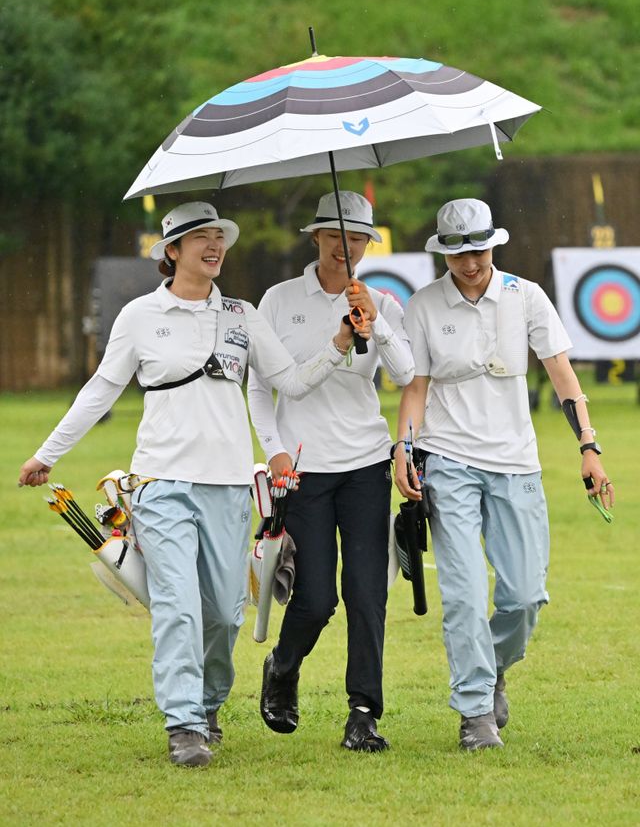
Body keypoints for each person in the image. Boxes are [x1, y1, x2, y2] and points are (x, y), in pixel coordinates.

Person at [18, 201, 365, 768]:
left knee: (225, 614)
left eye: (219, 236)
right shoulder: (138, 315)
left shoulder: (242, 315)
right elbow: (101, 389)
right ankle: (183, 724)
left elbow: (292, 382)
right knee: (177, 606)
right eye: (200, 237)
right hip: (160, 484)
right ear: (172, 250)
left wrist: (340, 341)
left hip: (227, 486)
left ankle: (207, 705)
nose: (214, 245)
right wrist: (47, 455)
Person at [394, 198, 614, 751]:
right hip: (448, 461)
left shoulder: (526, 296)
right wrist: (404, 448)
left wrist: (589, 446)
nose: (470, 264)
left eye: (479, 252)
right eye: (458, 255)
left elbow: (561, 372)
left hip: (516, 462)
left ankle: (491, 668)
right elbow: (416, 388)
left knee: (525, 596)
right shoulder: (422, 305)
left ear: (493, 245)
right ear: (443, 253)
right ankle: (475, 712)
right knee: (465, 593)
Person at [247, 191, 415, 752]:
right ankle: (283, 665)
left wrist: (376, 322)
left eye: (358, 239)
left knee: (367, 594)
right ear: (316, 238)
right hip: (304, 470)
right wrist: (273, 448)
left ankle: (363, 713)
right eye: (336, 237)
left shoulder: (381, 302)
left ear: (368, 243)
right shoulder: (277, 300)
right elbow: (260, 386)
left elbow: (406, 373)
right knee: (316, 598)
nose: (346, 248)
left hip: (366, 463)